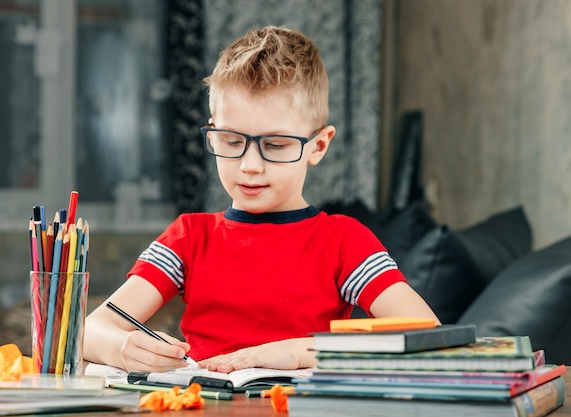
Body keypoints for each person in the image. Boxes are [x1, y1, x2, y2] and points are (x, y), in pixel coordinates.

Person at [83, 25, 439, 374]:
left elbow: (427, 334)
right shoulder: (189, 238)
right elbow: (87, 332)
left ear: (318, 145)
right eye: (232, 142)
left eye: (275, 145)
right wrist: (122, 348)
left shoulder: (344, 242)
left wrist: (301, 351)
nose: (250, 166)